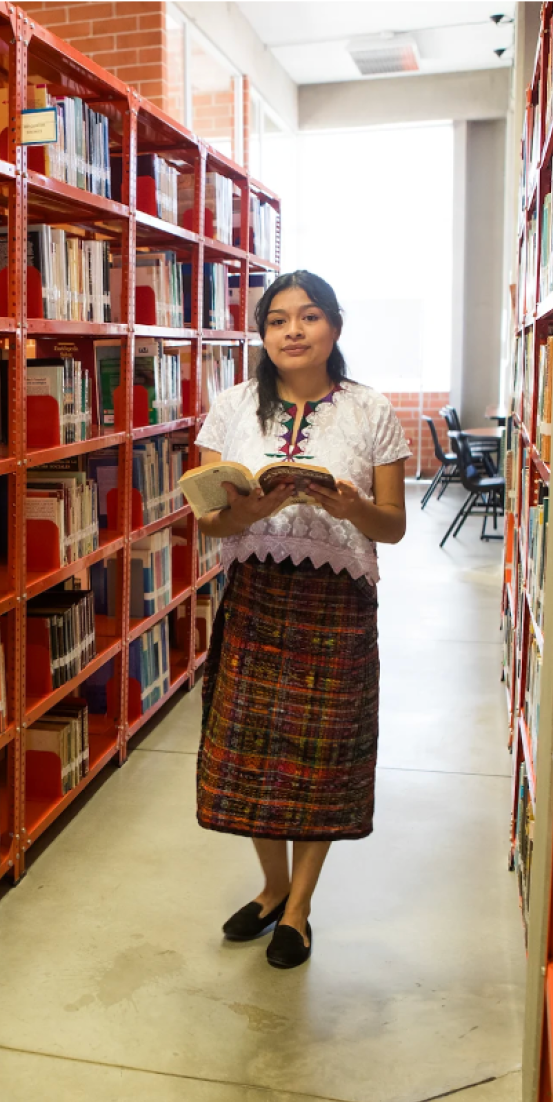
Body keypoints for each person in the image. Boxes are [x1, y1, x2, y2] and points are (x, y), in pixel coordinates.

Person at [192, 270, 409, 969]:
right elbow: (207, 521)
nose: (293, 330)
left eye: (309, 316)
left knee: (322, 758)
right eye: (277, 319)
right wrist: (247, 511)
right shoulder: (230, 409)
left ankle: (299, 909)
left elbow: (395, 526)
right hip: (255, 594)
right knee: (252, 752)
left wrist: (351, 509)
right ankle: (270, 887)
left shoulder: (372, 410)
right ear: (261, 335)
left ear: (334, 328)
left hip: (337, 600)